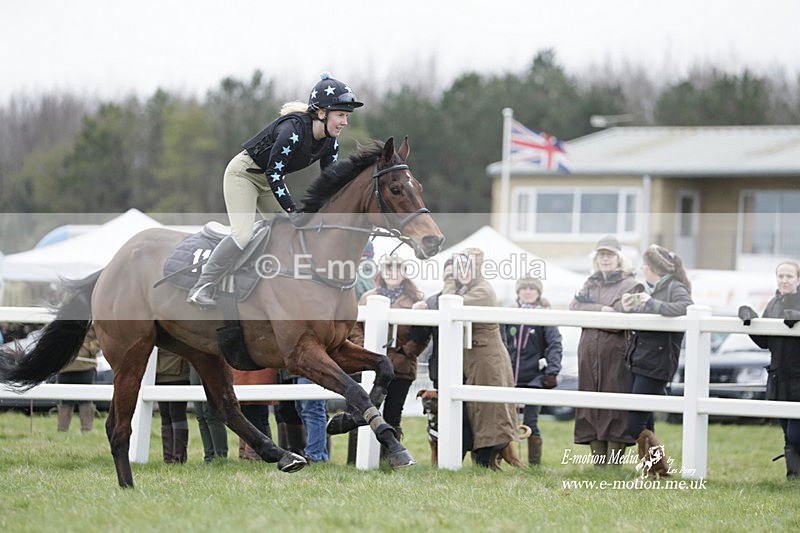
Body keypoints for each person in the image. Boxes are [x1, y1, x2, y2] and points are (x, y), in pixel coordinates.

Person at [188, 72, 364, 308]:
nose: (344, 122)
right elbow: (274, 174)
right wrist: (294, 211)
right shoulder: (292, 129)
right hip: (243, 176)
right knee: (243, 234)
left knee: (287, 235)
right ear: (321, 113)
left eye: (346, 116)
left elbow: (329, 184)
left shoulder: (330, 141)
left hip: (266, 182)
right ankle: (203, 285)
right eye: (340, 115)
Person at [443, 247, 520, 468]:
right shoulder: (470, 288)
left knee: (489, 408)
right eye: (459, 268)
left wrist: (448, 278)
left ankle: (488, 458)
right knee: (479, 407)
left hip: (486, 356)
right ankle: (485, 459)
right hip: (476, 356)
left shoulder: (482, 291)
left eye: (467, 268)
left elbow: (450, 301)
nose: (462, 272)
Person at [622, 244, 693, 476]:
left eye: (644, 264)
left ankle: (658, 468)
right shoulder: (655, 288)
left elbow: (686, 307)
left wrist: (650, 303)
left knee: (634, 425)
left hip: (655, 365)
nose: (641, 268)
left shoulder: (675, 287)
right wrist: (630, 306)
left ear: (653, 267)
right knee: (646, 422)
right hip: (641, 361)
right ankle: (656, 471)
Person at [569, 235, 639, 465]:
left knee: (615, 407)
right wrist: (602, 309)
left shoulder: (630, 284)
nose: (605, 259)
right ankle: (598, 464)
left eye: (610, 255)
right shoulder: (590, 283)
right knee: (590, 405)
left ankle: (614, 463)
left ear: (619, 258)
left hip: (616, 355)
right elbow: (575, 307)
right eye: (601, 255)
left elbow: (621, 315)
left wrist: (597, 315)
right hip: (588, 354)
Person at [351, 254, 426, 444]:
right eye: (388, 269)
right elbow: (355, 325)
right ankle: (362, 456)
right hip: (371, 363)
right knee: (366, 409)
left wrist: (406, 352)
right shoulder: (368, 297)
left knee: (393, 411)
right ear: (382, 272)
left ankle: (391, 454)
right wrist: (364, 347)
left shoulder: (415, 300)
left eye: (397, 269)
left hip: (401, 365)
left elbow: (424, 333)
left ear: (404, 273)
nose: (392, 273)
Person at [738, 260, 800, 480]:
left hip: (798, 378)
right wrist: (750, 322)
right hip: (778, 376)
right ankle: (793, 477)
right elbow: (765, 342)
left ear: (798, 279)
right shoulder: (773, 303)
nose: (784, 280)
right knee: (787, 432)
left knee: (796, 432)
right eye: (780, 276)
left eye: (789, 276)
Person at [502, 276, 562, 466]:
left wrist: (552, 372)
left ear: (538, 292)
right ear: (518, 292)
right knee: (504, 422)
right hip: (508, 376)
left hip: (534, 378)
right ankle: (503, 459)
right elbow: (501, 342)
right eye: (524, 288)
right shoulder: (508, 314)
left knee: (531, 422)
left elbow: (555, 345)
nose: (528, 292)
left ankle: (534, 465)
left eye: (532, 288)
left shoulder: (545, 316)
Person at [56, 324, 99, 433]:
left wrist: (91, 349)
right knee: (65, 401)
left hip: (86, 367)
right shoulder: (63, 314)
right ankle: (62, 431)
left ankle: (87, 431)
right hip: (65, 367)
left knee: (86, 401)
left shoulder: (93, 314)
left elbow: (101, 334)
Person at [231, 367, 277, 461]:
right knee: (256, 413)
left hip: (251, 373)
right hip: (250, 373)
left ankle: (254, 453)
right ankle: (260, 452)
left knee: (253, 412)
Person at [155, 348, 190, 463]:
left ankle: (178, 458)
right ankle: (169, 458)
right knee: (166, 416)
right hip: (160, 374)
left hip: (178, 374)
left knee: (177, 415)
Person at [189, 365, 228, 462]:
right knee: (200, 415)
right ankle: (209, 457)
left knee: (211, 413)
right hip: (194, 359)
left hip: (210, 360)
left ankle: (220, 456)